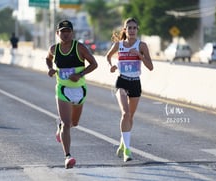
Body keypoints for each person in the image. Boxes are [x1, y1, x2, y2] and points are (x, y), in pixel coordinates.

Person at [45, 20, 98, 169]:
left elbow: (94, 64)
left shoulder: (79, 47)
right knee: (67, 125)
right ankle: (67, 156)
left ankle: (60, 124)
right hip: (62, 89)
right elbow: (48, 59)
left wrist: (80, 74)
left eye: (68, 31)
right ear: (57, 33)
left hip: (80, 90)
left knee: (74, 123)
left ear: (72, 33)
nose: (65, 34)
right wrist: (50, 68)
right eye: (62, 31)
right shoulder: (54, 49)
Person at [105, 18, 153, 162]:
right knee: (125, 113)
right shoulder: (118, 45)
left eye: (134, 28)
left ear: (137, 29)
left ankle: (122, 143)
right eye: (129, 28)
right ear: (124, 30)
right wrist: (111, 66)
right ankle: (127, 150)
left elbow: (150, 66)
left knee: (130, 117)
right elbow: (108, 56)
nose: (132, 30)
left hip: (135, 83)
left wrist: (139, 55)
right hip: (122, 81)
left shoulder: (142, 45)